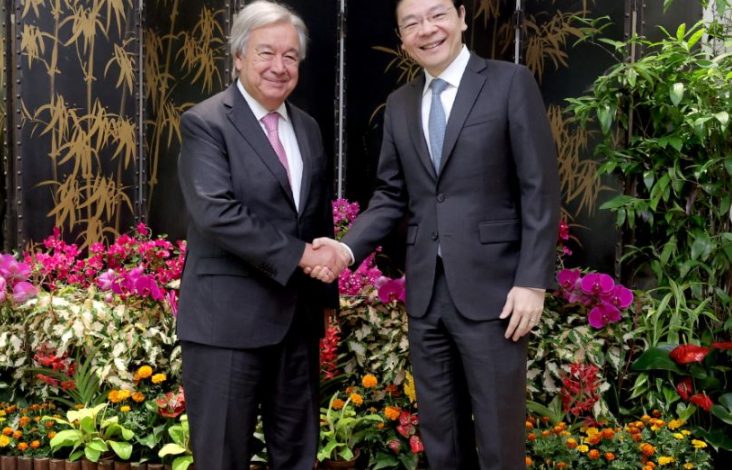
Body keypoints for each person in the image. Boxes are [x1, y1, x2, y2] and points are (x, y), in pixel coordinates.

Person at [310, 0, 560, 468]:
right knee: (440, 437)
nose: (427, 30)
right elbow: (390, 196)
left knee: (499, 439)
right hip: (426, 296)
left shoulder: (509, 83)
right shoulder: (402, 104)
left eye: (437, 14)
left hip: (496, 294)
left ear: (462, 17)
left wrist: (532, 282)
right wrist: (346, 248)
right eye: (412, 23)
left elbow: (539, 188)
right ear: (402, 37)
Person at [175, 2, 346, 469]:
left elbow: (314, 218)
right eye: (266, 52)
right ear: (238, 56)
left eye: (290, 56)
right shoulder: (206, 122)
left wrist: (325, 294)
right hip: (225, 324)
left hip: (296, 322)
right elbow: (216, 212)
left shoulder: (307, 127)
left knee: (297, 456)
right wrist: (301, 257)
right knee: (222, 457)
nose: (279, 66)